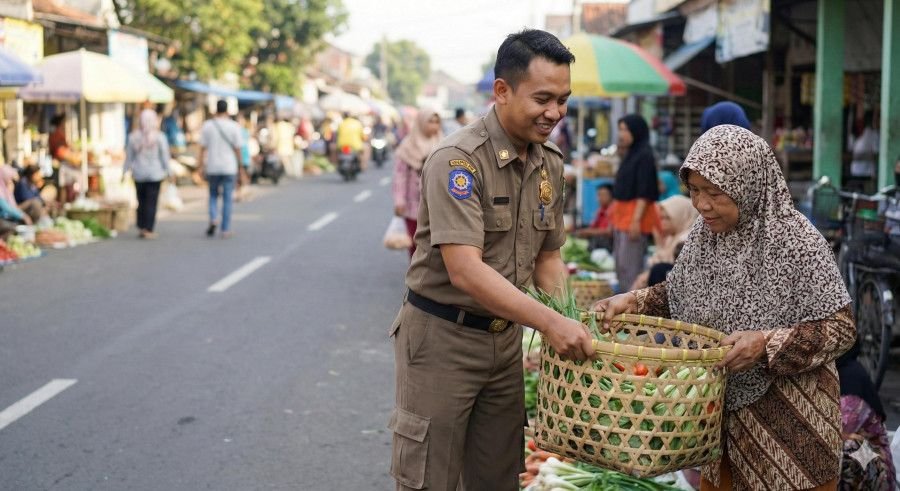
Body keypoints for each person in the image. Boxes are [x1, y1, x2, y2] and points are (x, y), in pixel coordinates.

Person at [595, 125, 856, 490]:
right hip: (723, 430)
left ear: (747, 186)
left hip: (792, 434)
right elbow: (683, 294)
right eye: (695, 191)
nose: (701, 204)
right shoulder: (705, 236)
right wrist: (631, 301)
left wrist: (765, 344)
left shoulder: (798, 242)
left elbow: (841, 329)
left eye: (714, 192)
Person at [388, 29, 594, 491]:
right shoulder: (458, 161)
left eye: (563, 99)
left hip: (505, 345)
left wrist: (573, 320)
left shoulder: (550, 163)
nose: (555, 113)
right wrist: (550, 324)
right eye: (542, 98)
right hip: (442, 340)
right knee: (430, 480)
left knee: (497, 478)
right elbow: (465, 270)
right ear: (502, 91)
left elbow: (548, 258)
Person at [836, 343, 896, 490]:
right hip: (859, 467)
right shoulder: (835, 374)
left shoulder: (851, 379)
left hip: (878, 472)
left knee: (847, 448)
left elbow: (837, 433)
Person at [610, 114, 659, 291]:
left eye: (625, 129)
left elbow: (644, 192)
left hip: (634, 217)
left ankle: (630, 310)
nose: (621, 134)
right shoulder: (631, 153)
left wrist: (636, 221)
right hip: (622, 217)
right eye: (620, 129)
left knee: (630, 267)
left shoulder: (645, 155)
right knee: (621, 266)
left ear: (636, 131)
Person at [392, 107, 442, 257]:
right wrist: (399, 200)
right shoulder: (408, 145)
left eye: (436, 122)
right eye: (430, 121)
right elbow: (400, 176)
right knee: (415, 241)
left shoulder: (443, 142)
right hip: (413, 202)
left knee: (436, 242)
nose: (434, 125)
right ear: (420, 122)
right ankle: (416, 275)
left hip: (437, 202)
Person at [630, 194, 698, 290]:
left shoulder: (687, 239)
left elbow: (668, 267)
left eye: (667, 218)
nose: (662, 223)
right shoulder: (671, 237)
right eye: (661, 218)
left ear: (680, 216)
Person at [123, 109, 170, 239]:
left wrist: (124, 171)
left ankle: (142, 226)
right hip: (155, 174)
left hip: (138, 174)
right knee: (151, 202)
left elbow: (129, 157)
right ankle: (148, 228)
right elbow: (165, 157)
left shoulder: (133, 137)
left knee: (141, 201)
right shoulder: (160, 137)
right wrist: (169, 172)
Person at [200, 100, 242, 238]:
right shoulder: (234, 126)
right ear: (227, 111)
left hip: (212, 166)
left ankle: (213, 218)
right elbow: (237, 149)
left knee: (212, 195)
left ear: (215, 110)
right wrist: (241, 166)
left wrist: (200, 166)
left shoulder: (207, 126)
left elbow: (202, 148)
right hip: (229, 167)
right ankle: (225, 229)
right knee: (227, 198)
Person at [575, 183, 614, 250]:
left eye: (603, 195)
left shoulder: (613, 210)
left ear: (611, 196)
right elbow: (592, 226)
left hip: (608, 244)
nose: (599, 198)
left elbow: (609, 232)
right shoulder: (600, 210)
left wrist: (589, 232)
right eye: (598, 195)